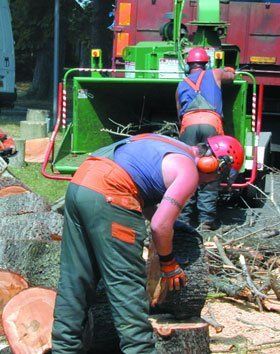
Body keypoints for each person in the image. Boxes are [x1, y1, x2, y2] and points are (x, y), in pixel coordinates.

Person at [52, 132, 244, 353]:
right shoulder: (189, 171)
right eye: (218, 178)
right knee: (127, 285)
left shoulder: (170, 145)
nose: (212, 184)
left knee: (75, 279)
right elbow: (159, 226)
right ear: (213, 165)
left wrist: (171, 225)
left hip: (81, 183)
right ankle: (140, 350)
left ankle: (63, 348)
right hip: (111, 193)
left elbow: (149, 201)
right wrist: (168, 263)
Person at [176, 47, 236, 230]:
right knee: (209, 169)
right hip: (211, 123)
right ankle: (207, 220)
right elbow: (231, 76)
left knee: (187, 168)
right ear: (205, 63)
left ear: (188, 66)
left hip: (188, 124)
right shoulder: (215, 74)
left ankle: (184, 219)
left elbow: (179, 112)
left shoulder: (181, 84)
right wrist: (230, 69)